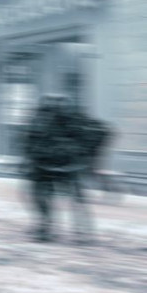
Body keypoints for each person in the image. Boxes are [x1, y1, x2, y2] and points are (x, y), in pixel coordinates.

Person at [22, 94, 92, 242]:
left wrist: (29, 161)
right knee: (77, 200)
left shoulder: (39, 119)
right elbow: (87, 140)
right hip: (69, 167)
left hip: (45, 167)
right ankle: (84, 232)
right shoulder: (75, 118)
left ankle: (46, 230)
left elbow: (29, 141)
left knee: (42, 198)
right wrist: (83, 160)